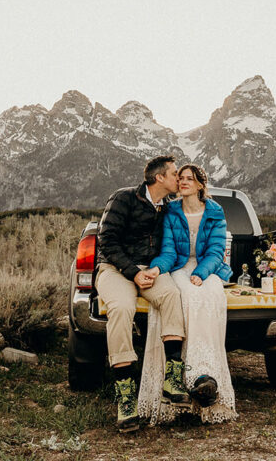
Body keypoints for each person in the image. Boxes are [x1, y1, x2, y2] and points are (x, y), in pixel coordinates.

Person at [95, 155, 189, 432]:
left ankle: (172, 381)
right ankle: (126, 399)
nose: (178, 178)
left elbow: (170, 246)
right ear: (159, 177)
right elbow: (107, 240)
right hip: (115, 269)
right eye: (174, 174)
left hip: (151, 272)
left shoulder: (170, 208)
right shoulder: (123, 198)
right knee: (122, 308)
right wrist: (132, 272)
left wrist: (155, 271)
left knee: (172, 296)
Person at [143, 163, 237, 424]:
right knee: (187, 295)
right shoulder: (171, 210)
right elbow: (170, 250)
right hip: (178, 266)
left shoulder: (215, 212)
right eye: (180, 178)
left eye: (189, 179)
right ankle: (191, 375)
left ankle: (206, 375)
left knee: (212, 295)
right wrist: (156, 269)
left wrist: (203, 273)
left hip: (209, 268)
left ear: (199, 185)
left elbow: (217, 251)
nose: (183, 182)